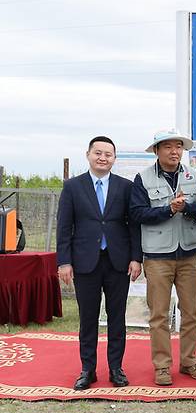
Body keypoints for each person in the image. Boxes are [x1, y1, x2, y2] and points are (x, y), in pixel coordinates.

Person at [56, 136, 142, 390]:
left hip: (118, 261)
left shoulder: (126, 187)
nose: (103, 158)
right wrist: (64, 262)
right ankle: (87, 369)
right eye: (98, 153)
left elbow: (134, 226)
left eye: (108, 154)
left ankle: (116, 368)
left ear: (115, 158)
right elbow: (64, 227)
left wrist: (136, 258)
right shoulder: (73, 187)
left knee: (117, 317)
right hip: (85, 263)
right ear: (88, 155)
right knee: (88, 318)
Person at [130, 129, 196, 386]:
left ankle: (188, 362)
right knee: (159, 315)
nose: (175, 152)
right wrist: (167, 210)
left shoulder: (194, 175)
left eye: (179, 147)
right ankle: (162, 367)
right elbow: (137, 214)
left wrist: (186, 207)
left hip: (188, 254)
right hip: (157, 257)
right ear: (156, 150)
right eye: (168, 147)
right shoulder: (142, 179)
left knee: (191, 313)